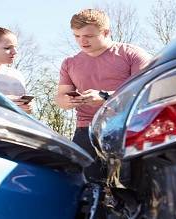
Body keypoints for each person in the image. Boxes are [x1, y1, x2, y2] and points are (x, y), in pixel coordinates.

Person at [55, 9, 151, 181]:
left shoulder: (132, 54)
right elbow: (60, 98)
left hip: (127, 129)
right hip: (85, 130)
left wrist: (106, 98)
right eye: (76, 36)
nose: (82, 41)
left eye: (88, 36)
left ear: (106, 32)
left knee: (129, 186)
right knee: (83, 186)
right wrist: (68, 101)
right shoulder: (69, 63)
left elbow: (147, 91)